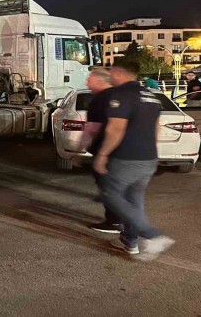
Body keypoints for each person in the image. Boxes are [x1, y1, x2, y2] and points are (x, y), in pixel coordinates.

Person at [94, 61, 175, 261]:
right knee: (134, 199)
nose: (109, 76)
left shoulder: (121, 95)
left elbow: (115, 129)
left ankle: (152, 235)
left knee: (110, 195)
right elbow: (156, 128)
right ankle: (130, 242)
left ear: (118, 72)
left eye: (111, 72)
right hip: (148, 157)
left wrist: (102, 154)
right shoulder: (150, 95)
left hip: (126, 157)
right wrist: (150, 151)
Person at [80, 68, 122, 234]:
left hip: (106, 149)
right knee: (117, 186)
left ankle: (114, 221)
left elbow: (93, 128)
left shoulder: (100, 99)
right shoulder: (120, 95)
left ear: (100, 80)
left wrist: (84, 146)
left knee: (108, 185)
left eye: (89, 79)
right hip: (123, 150)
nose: (87, 82)